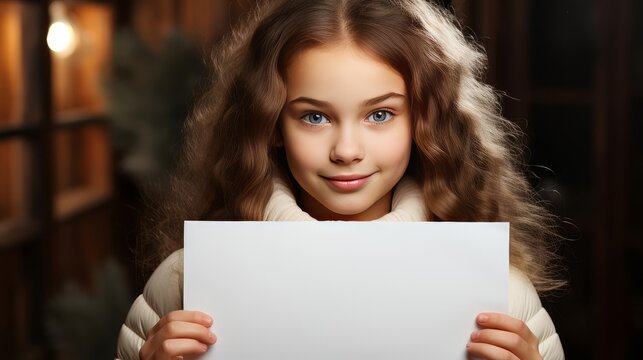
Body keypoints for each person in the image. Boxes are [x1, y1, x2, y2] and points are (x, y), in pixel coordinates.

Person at [116, 0, 565, 359]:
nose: (347, 150)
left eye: (380, 114)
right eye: (314, 116)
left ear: (424, 123)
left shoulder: (497, 294)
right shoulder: (187, 281)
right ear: (270, 125)